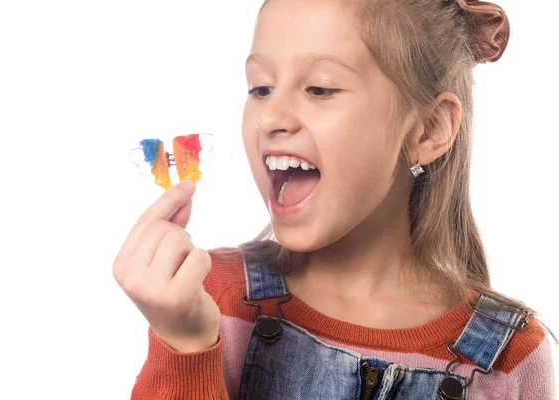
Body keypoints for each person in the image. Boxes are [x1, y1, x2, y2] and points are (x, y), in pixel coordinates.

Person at [112, 0, 557, 398]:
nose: (269, 117)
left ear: (429, 129)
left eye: (320, 89)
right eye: (260, 88)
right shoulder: (209, 303)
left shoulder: (511, 359)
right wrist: (185, 346)